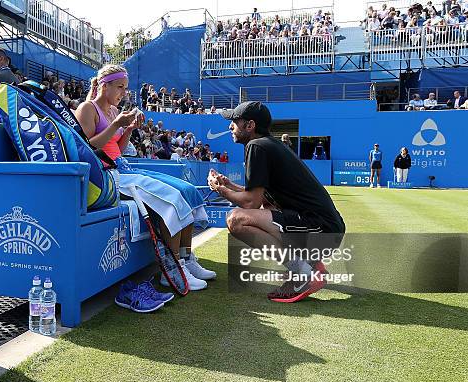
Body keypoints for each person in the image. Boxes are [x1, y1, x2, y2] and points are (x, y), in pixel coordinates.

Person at [75, 64, 214, 294]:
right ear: (104, 85)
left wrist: (127, 129)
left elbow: (117, 147)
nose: (123, 92)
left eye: (126, 88)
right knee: (172, 199)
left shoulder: (112, 111)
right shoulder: (86, 108)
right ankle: (173, 270)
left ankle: (187, 259)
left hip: (123, 167)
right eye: (119, 87)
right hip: (108, 176)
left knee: (187, 190)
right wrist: (118, 124)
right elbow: (88, 148)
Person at [209, 101, 345, 303]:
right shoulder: (268, 144)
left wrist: (220, 189)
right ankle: (312, 265)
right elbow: (260, 196)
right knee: (267, 207)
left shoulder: (256, 146)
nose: (230, 126)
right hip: (327, 230)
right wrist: (228, 185)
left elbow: (250, 204)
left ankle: (304, 274)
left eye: (235, 121)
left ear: (250, 125)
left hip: (320, 230)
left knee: (236, 220)